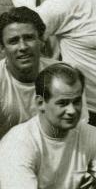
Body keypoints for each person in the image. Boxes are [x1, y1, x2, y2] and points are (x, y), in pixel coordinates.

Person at [0, 7, 58, 138]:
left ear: (42, 41)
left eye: (29, 38)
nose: (23, 47)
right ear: (2, 48)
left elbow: (76, 132)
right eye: (13, 41)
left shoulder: (62, 75)